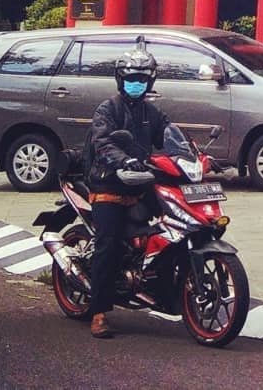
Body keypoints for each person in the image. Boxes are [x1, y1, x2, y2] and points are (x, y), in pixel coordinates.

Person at [86, 44, 172, 339]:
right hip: (109, 184)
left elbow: (170, 137)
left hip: (142, 183)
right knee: (107, 245)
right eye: (131, 78)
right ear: (120, 79)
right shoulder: (107, 109)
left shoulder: (152, 112)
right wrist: (123, 159)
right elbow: (103, 143)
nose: (137, 83)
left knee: (171, 226)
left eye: (142, 79)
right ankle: (98, 312)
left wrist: (194, 156)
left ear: (150, 82)